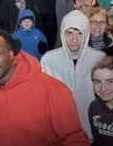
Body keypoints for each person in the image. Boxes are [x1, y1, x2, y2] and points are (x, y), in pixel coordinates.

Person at [40, 9, 105, 139]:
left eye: (79, 33)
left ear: (86, 34)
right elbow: (43, 100)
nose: (74, 39)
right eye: (69, 33)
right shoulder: (49, 60)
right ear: (62, 33)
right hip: (60, 134)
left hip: (94, 132)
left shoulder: (99, 59)